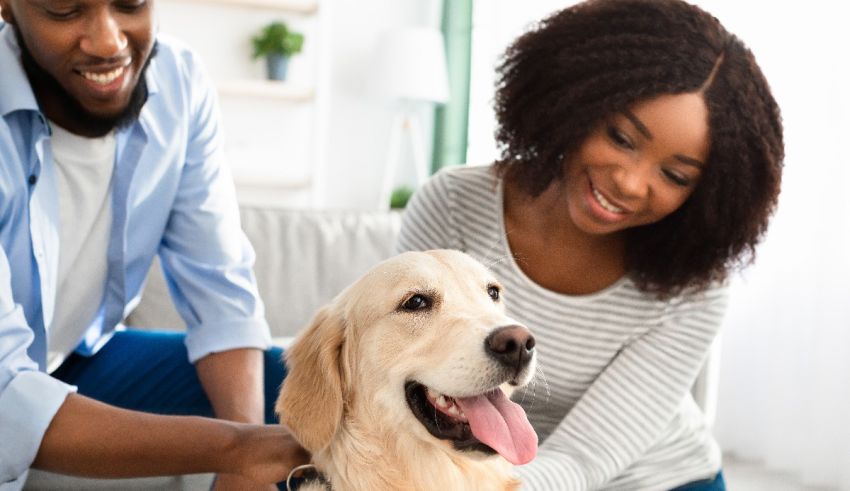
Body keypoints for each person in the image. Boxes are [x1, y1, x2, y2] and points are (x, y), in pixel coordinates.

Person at [397, 0, 783, 489]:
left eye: (674, 174)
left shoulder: (696, 287)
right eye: (621, 137)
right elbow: (400, 369)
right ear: (577, 100)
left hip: (658, 480)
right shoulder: (455, 205)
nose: (629, 182)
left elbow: (582, 459)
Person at [0, 0, 307, 489]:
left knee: (295, 382)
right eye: (63, 9)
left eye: (130, 3)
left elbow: (221, 295)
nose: (108, 41)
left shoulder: (179, 83)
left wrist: (243, 475)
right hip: (9, 377)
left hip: (75, 360)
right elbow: (6, 398)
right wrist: (243, 450)